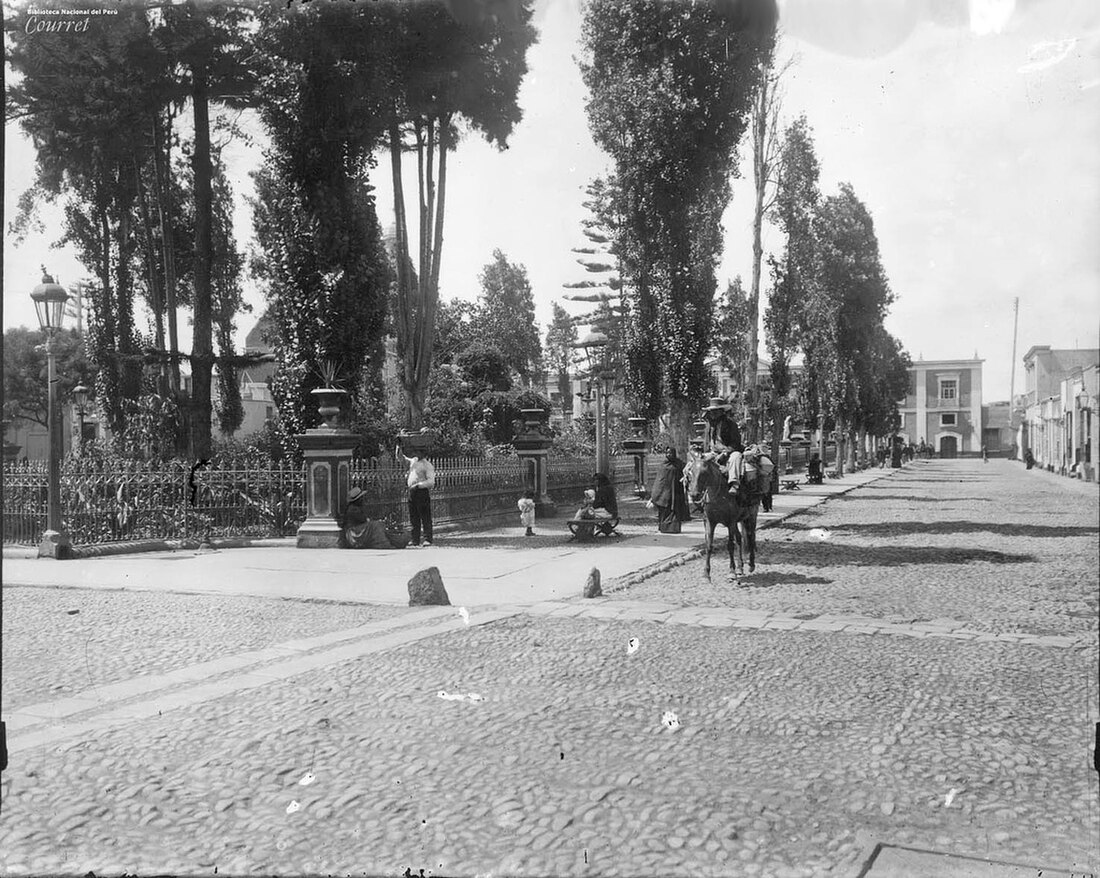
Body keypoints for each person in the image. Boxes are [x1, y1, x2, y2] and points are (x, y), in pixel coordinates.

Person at [343, 488, 407, 549]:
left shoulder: (356, 508)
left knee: (379, 525)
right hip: (353, 533)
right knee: (375, 526)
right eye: (361, 498)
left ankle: (396, 541)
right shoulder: (353, 509)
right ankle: (383, 544)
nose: (363, 499)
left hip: (358, 530)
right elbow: (363, 519)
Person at [397, 444, 435, 547]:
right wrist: (399, 446)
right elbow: (401, 458)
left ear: (423, 453)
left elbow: (431, 482)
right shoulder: (413, 461)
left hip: (421, 492)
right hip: (412, 492)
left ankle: (428, 539)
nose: (416, 453)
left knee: (425, 516)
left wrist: (418, 485)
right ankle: (415, 539)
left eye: (418, 451)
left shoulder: (427, 465)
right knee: (414, 517)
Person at [649, 446, 689, 533]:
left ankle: (674, 529)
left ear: (674, 453)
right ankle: (663, 528)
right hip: (664, 492)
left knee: (675, 510)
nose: (669, 454)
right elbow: (660, 480)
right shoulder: (663, 465)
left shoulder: (679, 464)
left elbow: (686, 471)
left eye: (671, 453)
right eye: (667, 453)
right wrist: (656, 494)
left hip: (676, 491)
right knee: (664, 510)